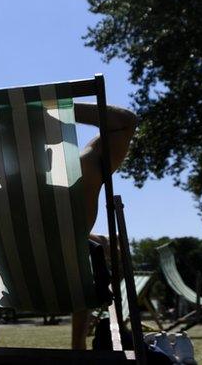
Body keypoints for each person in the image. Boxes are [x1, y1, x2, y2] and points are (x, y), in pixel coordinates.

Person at [69, 103, 139, 350]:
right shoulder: (84, 163)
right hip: (69, 277)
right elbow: (126, 120)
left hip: (9, 284)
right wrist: (59, 106)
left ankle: (79, 345)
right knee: (82, 254)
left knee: (86, 247)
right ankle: (78, 345)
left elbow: (40, 232)